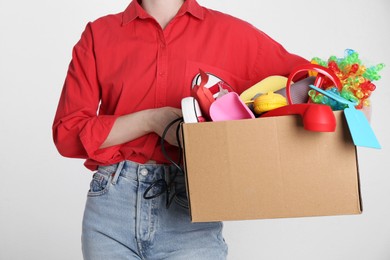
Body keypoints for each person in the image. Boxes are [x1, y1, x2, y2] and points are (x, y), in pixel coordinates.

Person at [52, 0, 309, 259]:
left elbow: (312, 82)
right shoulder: (99, 35)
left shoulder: (233, 34)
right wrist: (152, 121)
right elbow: (68, 134)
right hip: (112, 210)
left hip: (191, 209)